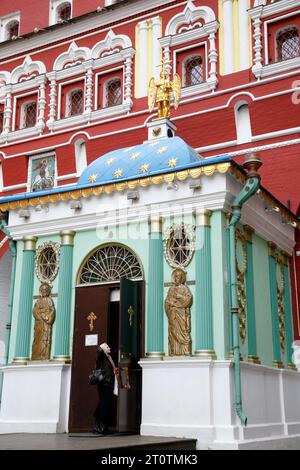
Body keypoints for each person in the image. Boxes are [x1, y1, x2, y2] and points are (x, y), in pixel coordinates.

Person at [165, 268, 193, 356]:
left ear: (182, 278)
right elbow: (167, 301)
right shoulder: (171, 289)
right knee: (173, 331)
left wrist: (179, 296)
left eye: (179, 276)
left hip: (182, 314)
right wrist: (170, 303)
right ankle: (173, 351)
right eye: (175, 276)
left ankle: (185, 350)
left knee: (183, 331)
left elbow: (189, 299)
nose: (177, 278)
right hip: (173, 314)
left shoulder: (184, 288)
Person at [93, 342, 118, 435]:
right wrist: (101, 348)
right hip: (103, 383)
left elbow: (112, 368)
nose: (109, 348)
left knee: (105, 404)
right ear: (103, 349)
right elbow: (97, 355)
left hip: (110, 383)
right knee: (104, 404)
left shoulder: (109, 357)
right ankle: (101, 426)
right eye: (107, 347)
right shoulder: (101, 357)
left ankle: (99, 425)